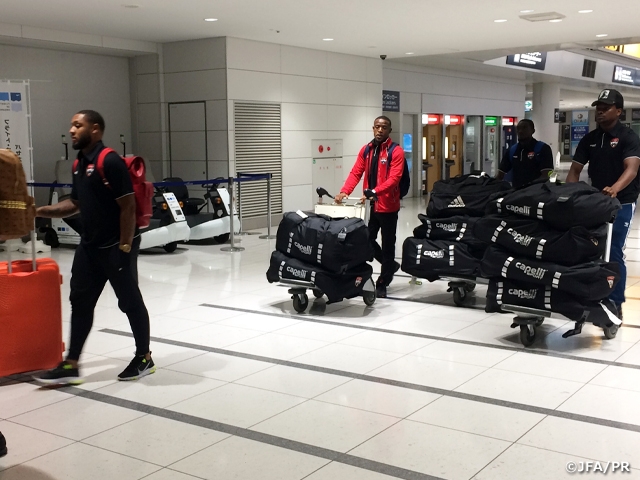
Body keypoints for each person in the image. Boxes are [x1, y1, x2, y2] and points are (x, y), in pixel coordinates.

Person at [34, 110, 154, 385]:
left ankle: (144, 357)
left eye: (78, 125)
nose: (72, 131)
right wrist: (39, 210)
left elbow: (128, 205)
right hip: (90, 245)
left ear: (95, 129)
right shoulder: (79, 163)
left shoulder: (109, 161)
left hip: (116, 245)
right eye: (71, 126)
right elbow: (74, 204)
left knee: (129, 300)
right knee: (81, 301)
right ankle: (71, 363)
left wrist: (124, 246)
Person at [567, 89, 640, 319]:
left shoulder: (628, 137)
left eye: (605, 107)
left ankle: (615, 301)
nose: (599, 111)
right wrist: (571, 193)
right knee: (590, 248)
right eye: (598, 106)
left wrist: (615, 189)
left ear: (618, 111)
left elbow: (632, 168)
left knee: (613, 249)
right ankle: (590, 292)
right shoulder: (590, 139)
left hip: (622, 203)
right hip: (595, 203)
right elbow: (574, 170)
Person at [335, 116, 404, 298]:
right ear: (373, 129)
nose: (380, 130)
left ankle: (384, 280)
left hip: (388, 206)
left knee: (388, 245)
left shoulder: (395, 151)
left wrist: (375, 191)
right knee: (366, 241)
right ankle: (390, 265)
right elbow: (356, 172)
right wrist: (345, 192)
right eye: (377, 127)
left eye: (384, 127)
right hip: (371, 206)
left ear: (390, 130)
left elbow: (394, 178)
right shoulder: (367, 150)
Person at [496, 119, 554, 188]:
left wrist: (529, 187)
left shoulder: (542, 148)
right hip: (517, 193)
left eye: (524, 128)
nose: (520, 131)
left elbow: (546, 175)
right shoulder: (512, 150)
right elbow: (500, 174)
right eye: (518, 128)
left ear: (533, 131)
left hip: (537, 193)